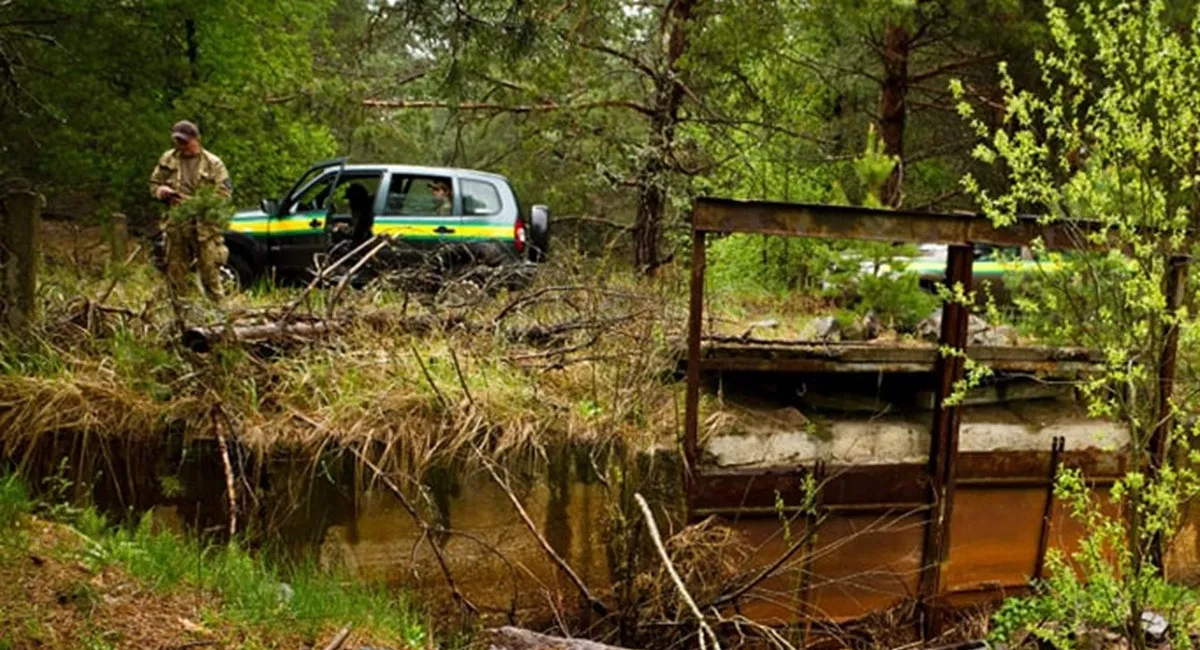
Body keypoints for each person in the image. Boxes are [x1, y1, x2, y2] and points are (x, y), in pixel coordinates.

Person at [149, 120, 233, 301]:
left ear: (197, 140)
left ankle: (220, 320)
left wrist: (197, 204)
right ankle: (184, 318)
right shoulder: (168, 159)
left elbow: (224, 195)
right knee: (177, 275)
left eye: (185, 142)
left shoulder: (213, 164)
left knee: (210, 275)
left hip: (205, 227)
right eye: (178, 141)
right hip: (177, 225)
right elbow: (154, 183)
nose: (181, 146)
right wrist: (160, 192)